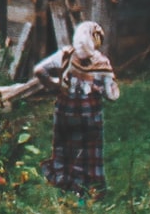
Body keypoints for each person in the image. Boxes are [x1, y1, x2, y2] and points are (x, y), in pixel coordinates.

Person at [33, 20, 119, 199]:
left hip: (65, 111)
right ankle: (88, 188)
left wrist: (55, 84)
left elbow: (39, 70)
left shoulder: (65, 55)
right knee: (88, 151)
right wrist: (103, 89)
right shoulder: (102, 62)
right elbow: (113, 96)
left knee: (64, 147)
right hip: (89, 115)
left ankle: (65, 182)